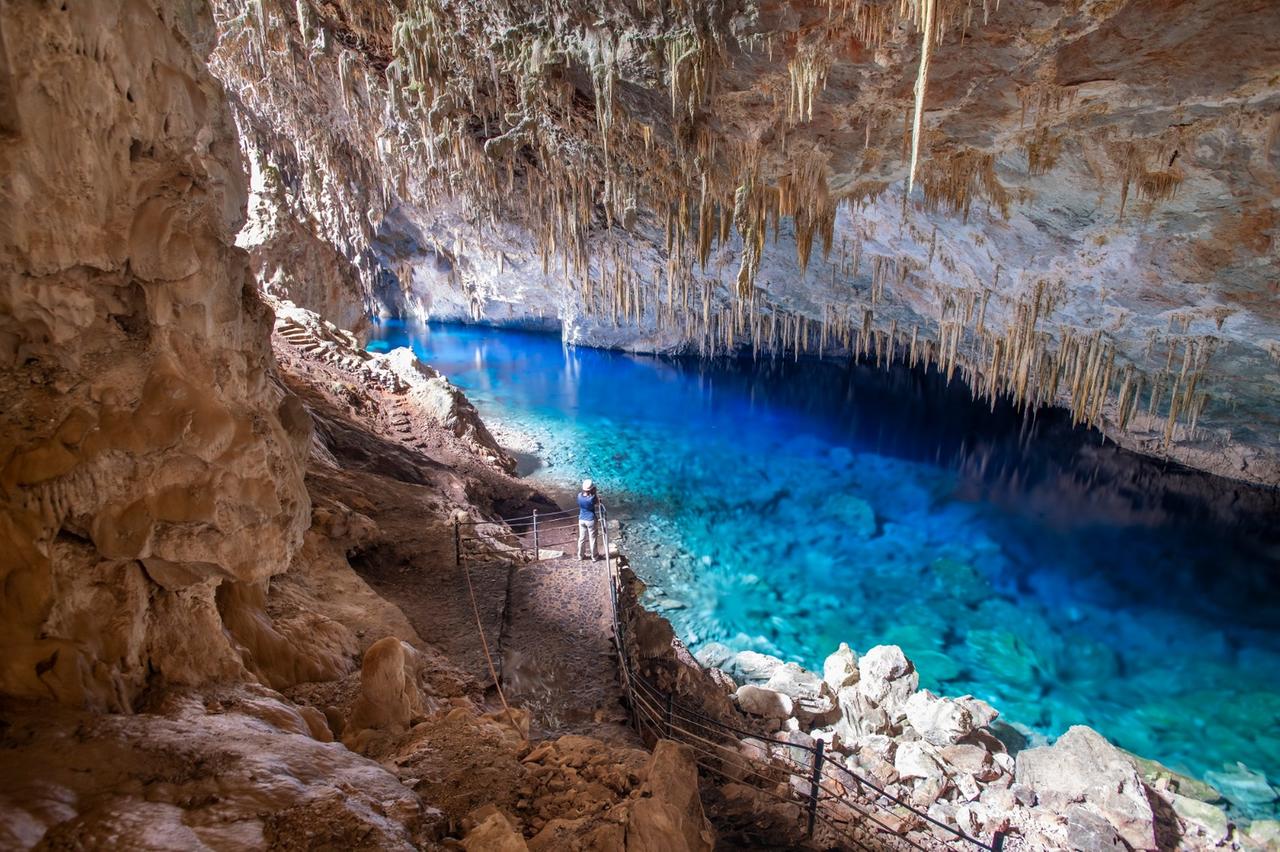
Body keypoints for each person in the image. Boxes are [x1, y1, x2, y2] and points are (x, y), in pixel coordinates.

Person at [576, 479, 602, 561]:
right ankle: (594, 557)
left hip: (581, 519)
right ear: (592, 489)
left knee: (581, 538)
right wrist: (595, 492)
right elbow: (598, 502)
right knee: (592, 539)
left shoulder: (579, 495)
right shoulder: (592, 498)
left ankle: (580, 556)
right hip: (590, 519)